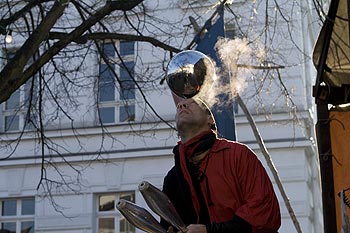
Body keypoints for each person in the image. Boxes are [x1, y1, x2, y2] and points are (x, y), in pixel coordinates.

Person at [160, 97, 281, 233]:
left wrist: (209, 230)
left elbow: (263, 213)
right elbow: (167, 224)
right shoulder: (172, 178)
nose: (181, 106)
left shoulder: (238, 154)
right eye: (179, 107)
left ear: (210, 119)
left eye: (192, 104)